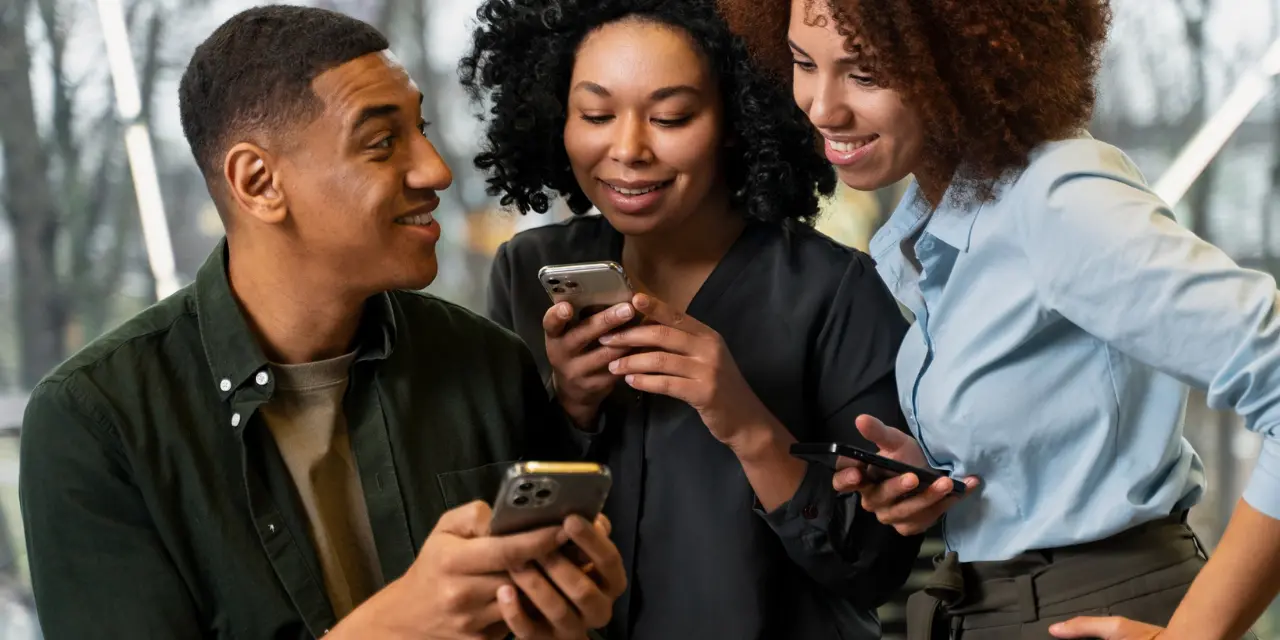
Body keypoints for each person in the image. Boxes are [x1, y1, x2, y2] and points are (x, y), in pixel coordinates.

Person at [18, 6, 626, 639]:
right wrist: (396, 627)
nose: (436, 170)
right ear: (258, 183)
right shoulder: (93, 421)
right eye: (382, 143)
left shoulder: (487, 362)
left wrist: (571, 613)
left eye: (419, 130)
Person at [719, 0, 1280, 638]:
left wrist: (1197, 634)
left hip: (1096, 608)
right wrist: (937, 482)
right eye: (802, 62)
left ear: (957, 61)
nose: (822, 107)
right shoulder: (952, 218)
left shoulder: (1057, 200)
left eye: (865, 73)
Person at [461, 0, 923, 638]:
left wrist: (749, 425)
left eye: (671, 117)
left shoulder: (834, 291)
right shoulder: (527, 273)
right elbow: (498, 535)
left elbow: (877, 567)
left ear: (734, 119)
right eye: (596, 114)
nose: (628, 149)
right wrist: (569, 407)